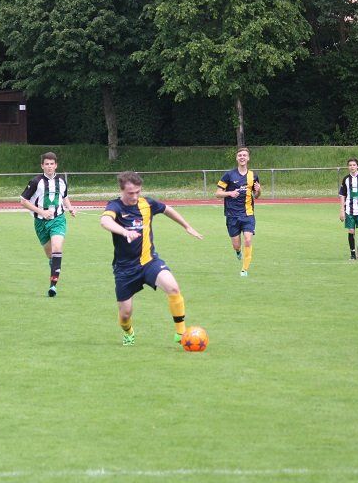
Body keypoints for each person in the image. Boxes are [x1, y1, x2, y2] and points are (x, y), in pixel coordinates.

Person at [100, 171, 203, 346]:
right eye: (130, 193)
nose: (135, 196)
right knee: (125, 314)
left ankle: (181, 333)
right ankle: (128, 332)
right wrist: (124, 232)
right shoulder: (115, 206)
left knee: (173, 288)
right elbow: (105, 221)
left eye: (138, 192)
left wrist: (186, 226)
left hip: (149, 261)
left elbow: (167, 209)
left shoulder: (147, 204)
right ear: (121, 190)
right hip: (125, 269)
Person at [20, 151, 76, 297]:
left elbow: (64, 196)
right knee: (50, 254)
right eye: (47, 164)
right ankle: (53, 264)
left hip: (58, 220)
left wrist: (70, 208)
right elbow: (23, 201)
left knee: (57, 248)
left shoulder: (61, 180)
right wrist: (41, 212)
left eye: (52, 164)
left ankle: (53, 286)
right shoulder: (35, 182)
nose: (49, 166)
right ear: (42, 166)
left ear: (56, 165)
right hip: (40, 223)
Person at [214, 146, 261, 277]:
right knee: (236, 245)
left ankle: (244, 269)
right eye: (240, 155)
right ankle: (238, 251)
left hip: (248, 214)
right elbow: (217, 193)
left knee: (248, 239)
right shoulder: (229, 175)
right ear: (237, 158)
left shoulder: (253, 176)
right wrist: (230, 193)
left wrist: (258, 190)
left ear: (248, 158)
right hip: (232, 215)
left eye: (244, 155)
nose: (242, 157)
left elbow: (256, 196)